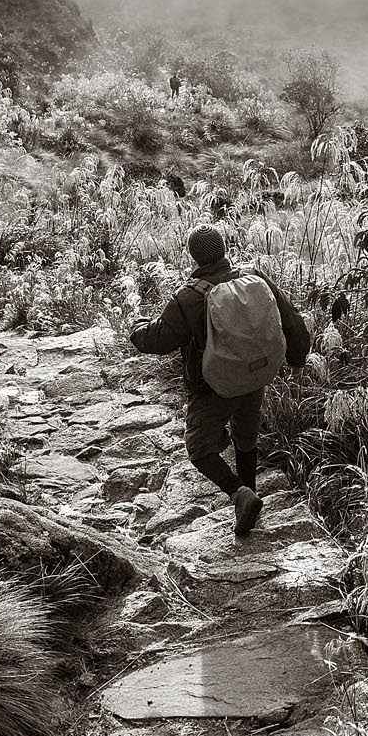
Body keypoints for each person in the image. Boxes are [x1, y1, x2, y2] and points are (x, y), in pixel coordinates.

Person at [130, 223, 309, 538]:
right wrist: (297, 358)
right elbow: (290, 318)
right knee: (245, 437)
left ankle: (239, 494)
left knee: (199, 448)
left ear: (194, 257)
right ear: (223, 250)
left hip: (213, 385)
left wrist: (137, 324)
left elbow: (156, 340)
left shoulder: (189, 297)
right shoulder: (254, 277)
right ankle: (249, 497)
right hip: (255, 375)